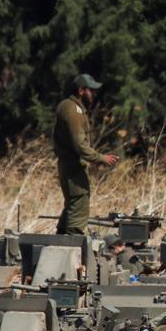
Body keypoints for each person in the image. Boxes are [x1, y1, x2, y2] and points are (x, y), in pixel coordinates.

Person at [52, 73, 118, 236]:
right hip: (73, 167)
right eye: (91, 90)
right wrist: (101, 158)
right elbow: (80, 145)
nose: (94, 94)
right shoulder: (74, 112)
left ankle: (60, 238)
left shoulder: (66, 105)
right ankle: (71, 245)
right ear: (81, 90)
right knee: (79, 205)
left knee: (72, 205)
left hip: (69, 165)